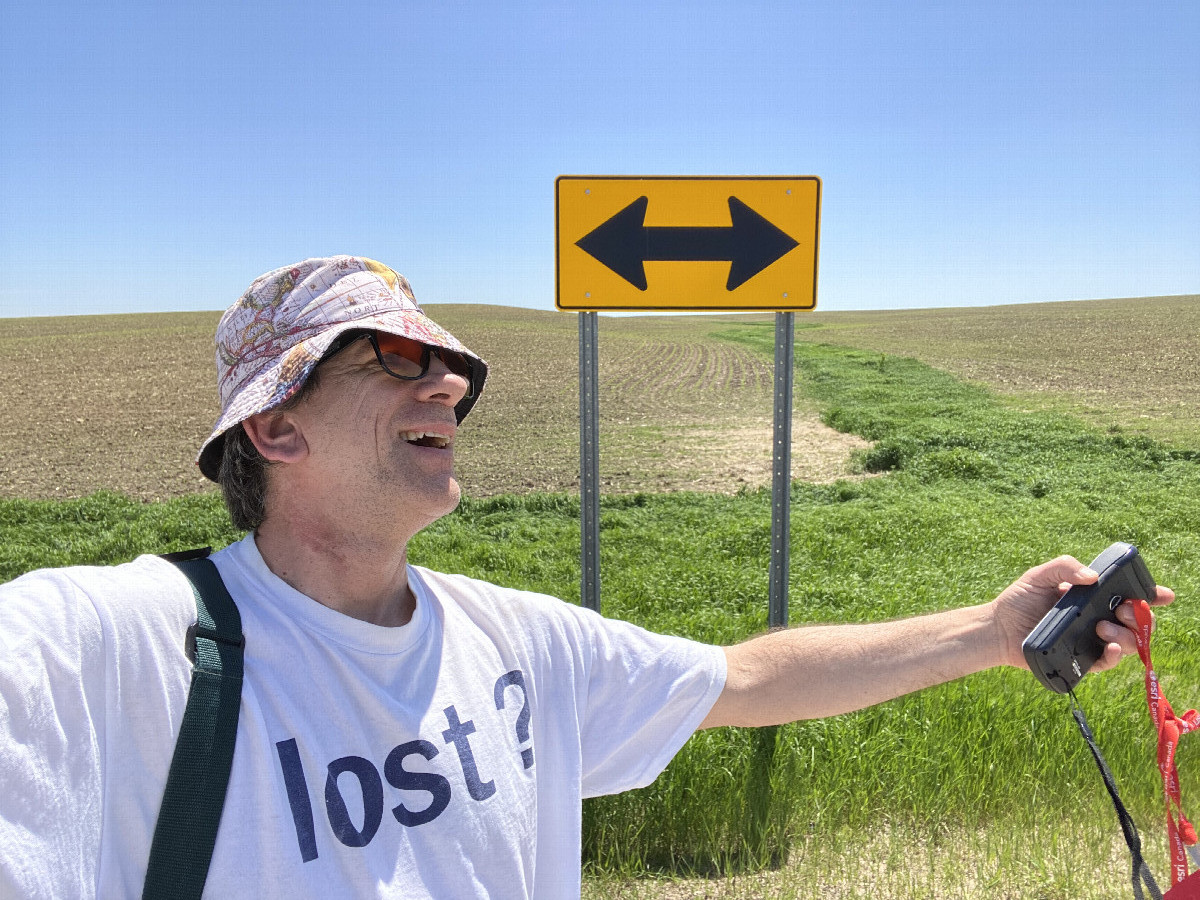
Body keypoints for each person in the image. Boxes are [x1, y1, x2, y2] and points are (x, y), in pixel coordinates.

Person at [0, 255, 1174, 899]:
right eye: (398, 358)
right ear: (274, 430)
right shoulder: (118, 644)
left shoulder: (509, 639)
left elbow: (745, 678)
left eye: (454, 365)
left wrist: (993, 626)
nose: (448, 385)